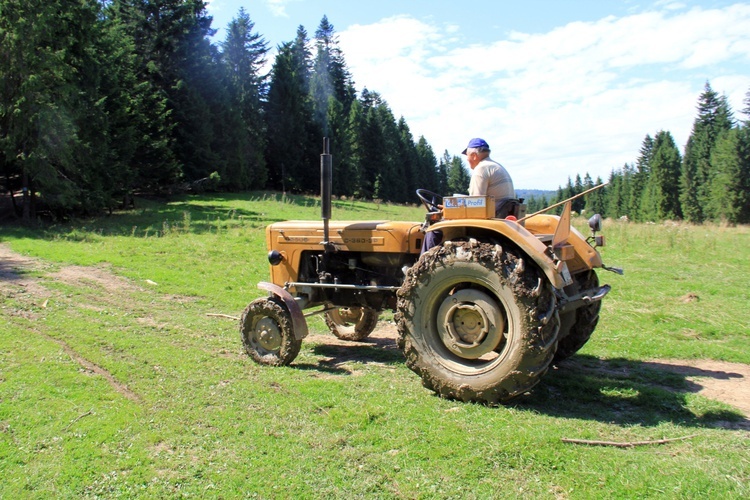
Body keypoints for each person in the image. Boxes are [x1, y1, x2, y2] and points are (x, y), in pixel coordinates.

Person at [463, 138, 516, 217]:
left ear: (474, 156)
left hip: (494, 217)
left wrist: (451, 209)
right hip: (505, 215)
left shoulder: (481, 169)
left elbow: (475, 205)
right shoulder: (497, 166)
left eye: (467, 155)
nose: (467, 159)